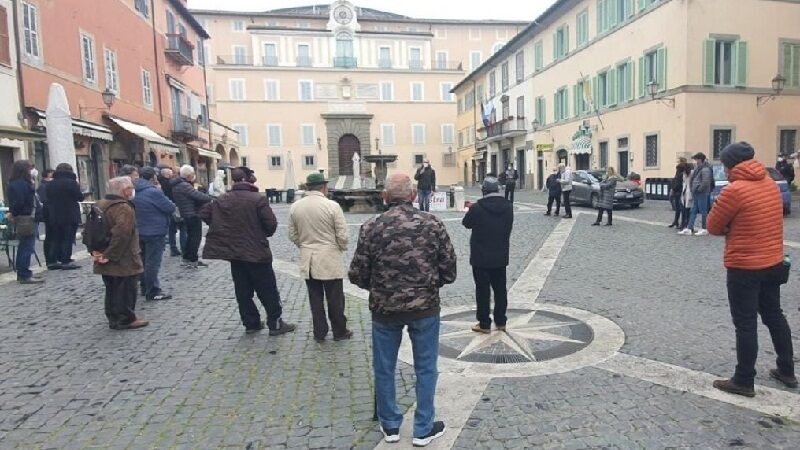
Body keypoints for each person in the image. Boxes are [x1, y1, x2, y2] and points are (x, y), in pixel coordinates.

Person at [349, 173, 456, 447]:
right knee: (426, 368)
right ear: (412, 196)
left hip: (385, 310)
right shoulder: (432, 224)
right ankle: (423, 428)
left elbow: (358, 273)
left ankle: (391, 425)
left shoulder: (371, 226)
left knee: (384, 368)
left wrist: (380, 287)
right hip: (425, 308)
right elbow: (449, 270)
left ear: (385, 196)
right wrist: (428, 285)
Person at [708, 142, 796, 396]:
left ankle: (744, 380)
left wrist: (730, 228)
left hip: (745, 266)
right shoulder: (770, 183)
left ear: (730, 165)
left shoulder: (734, 191)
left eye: (724, 165)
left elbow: (713, 226)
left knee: (745, 324)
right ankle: (786, 370)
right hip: (774, 262)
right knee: (774, 316)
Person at [200, 167, 296, 335]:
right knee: (267, 289)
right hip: (257, 252)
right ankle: (275, 323)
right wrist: (260, 232)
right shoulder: (257, 199)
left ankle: (251, 323)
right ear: (248, 180)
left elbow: (205, 213)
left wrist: (223, 228)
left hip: (235, 253)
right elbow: (271, 225)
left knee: (243, 290)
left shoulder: (222, 199)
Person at [288, 173, 352, 343]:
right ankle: (339, 331)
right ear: (323, 187)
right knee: (335, 298)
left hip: (308, 258)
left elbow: (292, 234)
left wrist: (304, 245)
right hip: (329, 256)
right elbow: (342, 234)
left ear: (308, 187)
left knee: (315, 298)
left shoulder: (296, 207)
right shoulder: (332, 206)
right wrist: (341, 247)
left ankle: (319, 331)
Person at [93, 177, 149, 330]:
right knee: (125, 288)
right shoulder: (123, 207)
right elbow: (122, 233)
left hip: (104, 252)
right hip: (123, 256)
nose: (132, 191)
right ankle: (125, 319)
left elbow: (89, 231)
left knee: (111, 288)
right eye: (131, 188)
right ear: (125, 190)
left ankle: (113, 317)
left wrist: (98, 252)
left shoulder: (100, 204)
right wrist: (110, 255)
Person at [463, 175, 513, 333]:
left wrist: (471, 209)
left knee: (482, 291)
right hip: (500, 254)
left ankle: (484, 323)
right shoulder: (508, 206)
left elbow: (466, 223)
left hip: (481, 257)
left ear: (483, 190)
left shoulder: (477, 207)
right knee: (500, 290)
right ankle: (501, 321)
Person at [132, 167, 175, 301]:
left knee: (143, 260)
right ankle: (153, 290)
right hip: (155, 231)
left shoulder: (133, 190)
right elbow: (169, 207)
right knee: (152, 262)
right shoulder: (153, 192)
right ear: (153, 178)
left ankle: (145, 287)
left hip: (139, 230)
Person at [7, 160, 44, 284]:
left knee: (25, 246)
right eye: (29, 169)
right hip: (26, 218)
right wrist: (15, 213)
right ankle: (24, 274)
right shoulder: (21, 184)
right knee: (26, 246)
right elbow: (19, 202)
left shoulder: (16, 183)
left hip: (24, 216)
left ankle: (24, 272)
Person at [171, 165, 212, 269]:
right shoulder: (184, 185)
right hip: (192, 214)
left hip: (186, 214)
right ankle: (192, 259)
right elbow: (198, 196)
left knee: (190, 237)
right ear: (189, 175)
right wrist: (209, 198)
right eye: (193, 174)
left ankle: (187, 258)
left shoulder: (177, 184)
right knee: (195, 238)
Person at [45, 163, 84, 270]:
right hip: (69, 213)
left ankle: (53, 260)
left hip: (55, 214)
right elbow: (80, 197)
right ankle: (66, 260)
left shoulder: (51, 184)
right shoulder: (72, 183)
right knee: (68, 238)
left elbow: (48, 197)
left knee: (56, 238)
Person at [679, 152, 713, 236]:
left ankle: (704, 228)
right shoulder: (698, 168)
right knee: (693, 210)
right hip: (696, 193)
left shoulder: (705, 169)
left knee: (703, 211)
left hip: (702, 193)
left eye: (696, 159)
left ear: (700, 159)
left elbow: (705, 182)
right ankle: (689, 228)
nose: (695, 161)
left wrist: (698, 189)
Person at [158, 168, 183, 257]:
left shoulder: (160, 182)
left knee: (171, 229)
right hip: (171, 206)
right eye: (171, 174)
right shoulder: (167, 183)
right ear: (167, 174)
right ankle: (174, 248)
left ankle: (173, 247)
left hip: (165, 207)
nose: (172, 175)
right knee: (173, 228)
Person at [36, 169, 55, 266]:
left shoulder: (46, 185)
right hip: (48, 214)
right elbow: (43, 200)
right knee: (50, 237)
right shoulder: (43, 186)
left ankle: (53, 258)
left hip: (50, 213)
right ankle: (50, 259)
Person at [668, 158, 688, 228]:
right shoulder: (678, 173)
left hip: (679, 192)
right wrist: (672, 188)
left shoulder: (682, 174)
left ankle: (682, 223)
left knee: (681, 208)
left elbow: (679, 184)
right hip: (676, 192)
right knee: (677, 208)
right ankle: (676, 221)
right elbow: (674, 180)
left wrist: (673, 189)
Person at [679, 163, 694, 230]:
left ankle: (689, 225)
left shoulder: (692, 173)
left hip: (689, 193)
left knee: (689, 210)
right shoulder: (684, 174)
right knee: (685, 209)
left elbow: (691, 183)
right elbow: (684, 183)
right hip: (685, 193)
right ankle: (685, 224)